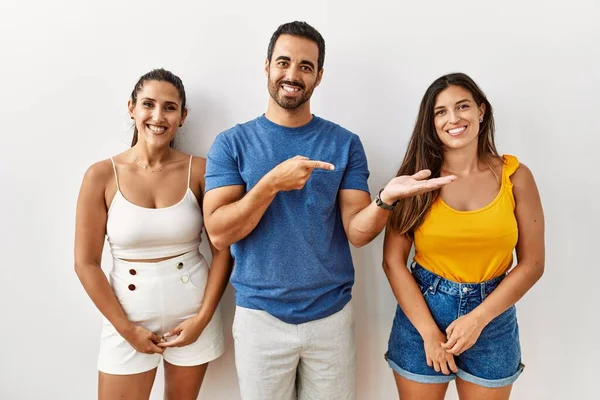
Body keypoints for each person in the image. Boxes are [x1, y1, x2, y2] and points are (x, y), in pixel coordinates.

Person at [202, 21, 455, 400]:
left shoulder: (344, 143)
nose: (292, 74)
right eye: (283, 62)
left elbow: (357, 232)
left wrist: (386, 198)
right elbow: (219, 232)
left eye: (305, 66)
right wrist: (271, 184)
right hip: (259, 319)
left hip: (330, 319)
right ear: (267, 66)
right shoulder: (232, 143)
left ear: (319, 76)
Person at [383, 72, 545, 400]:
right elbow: (392, 261)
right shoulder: (415, 179)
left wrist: (478, 319)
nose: (453, 118)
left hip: (492, 318)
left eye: (462, 106)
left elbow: (533, 264)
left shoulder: (517, 176)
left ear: (481, 111)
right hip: (422, 315)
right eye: (440, 111)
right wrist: (429, 333)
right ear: (430, 122)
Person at [74, 68, 231, 400]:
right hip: (127, 316)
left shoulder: (201, 170)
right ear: (131, 108)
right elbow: (85, 263)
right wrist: (126, 329)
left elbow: (223, 248)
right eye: (148, 104)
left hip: (192, 314)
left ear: (182, 116)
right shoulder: (101, 175)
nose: (158, 116)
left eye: (170, 107)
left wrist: (202, 319)